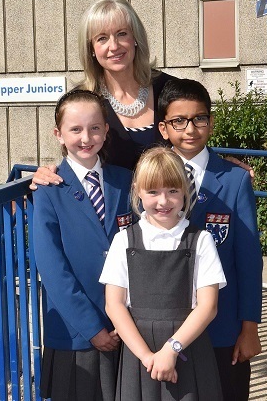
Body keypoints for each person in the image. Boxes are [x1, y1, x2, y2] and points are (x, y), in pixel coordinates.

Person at [29, 0, 253, 189]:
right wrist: (46, 172)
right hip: (113, 225)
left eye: (122, 33)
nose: (114, 46)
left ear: (136, 39)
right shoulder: (82, 101)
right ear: (92, 50)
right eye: (102, 38)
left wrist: (224, 167)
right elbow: (73, 159)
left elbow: (192, 139)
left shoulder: (169, 88)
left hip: (172, 218)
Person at [157, 77, 263, 401]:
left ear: (211, 122)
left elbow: (248, 260)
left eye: (199, 118)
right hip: (167, 329)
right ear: (164, 128)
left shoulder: (234, 181)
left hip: (223, 329)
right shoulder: (150, 176)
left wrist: (249, 327)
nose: (190, 129)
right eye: (179, 120)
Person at [100, 146, 226, 400]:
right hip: (140, 353)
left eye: (172, 191)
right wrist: (148, 357)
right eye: (153, 192)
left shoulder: (200, 240)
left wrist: (171, 350)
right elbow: (114, 305)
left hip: (187, 347)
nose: (163, 201)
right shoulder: (123, 240)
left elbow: (208, 306)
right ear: (138, 191)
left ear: (184, 191)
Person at [33, 89, 132, 401]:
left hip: (125, 325)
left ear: (106, 130)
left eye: (94, 128)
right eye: (75, 129)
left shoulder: (126, 180)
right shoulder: (48, 188)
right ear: (59, 134)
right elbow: (52, 268)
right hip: (76, 331)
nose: (86, 137)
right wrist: (92, 328)